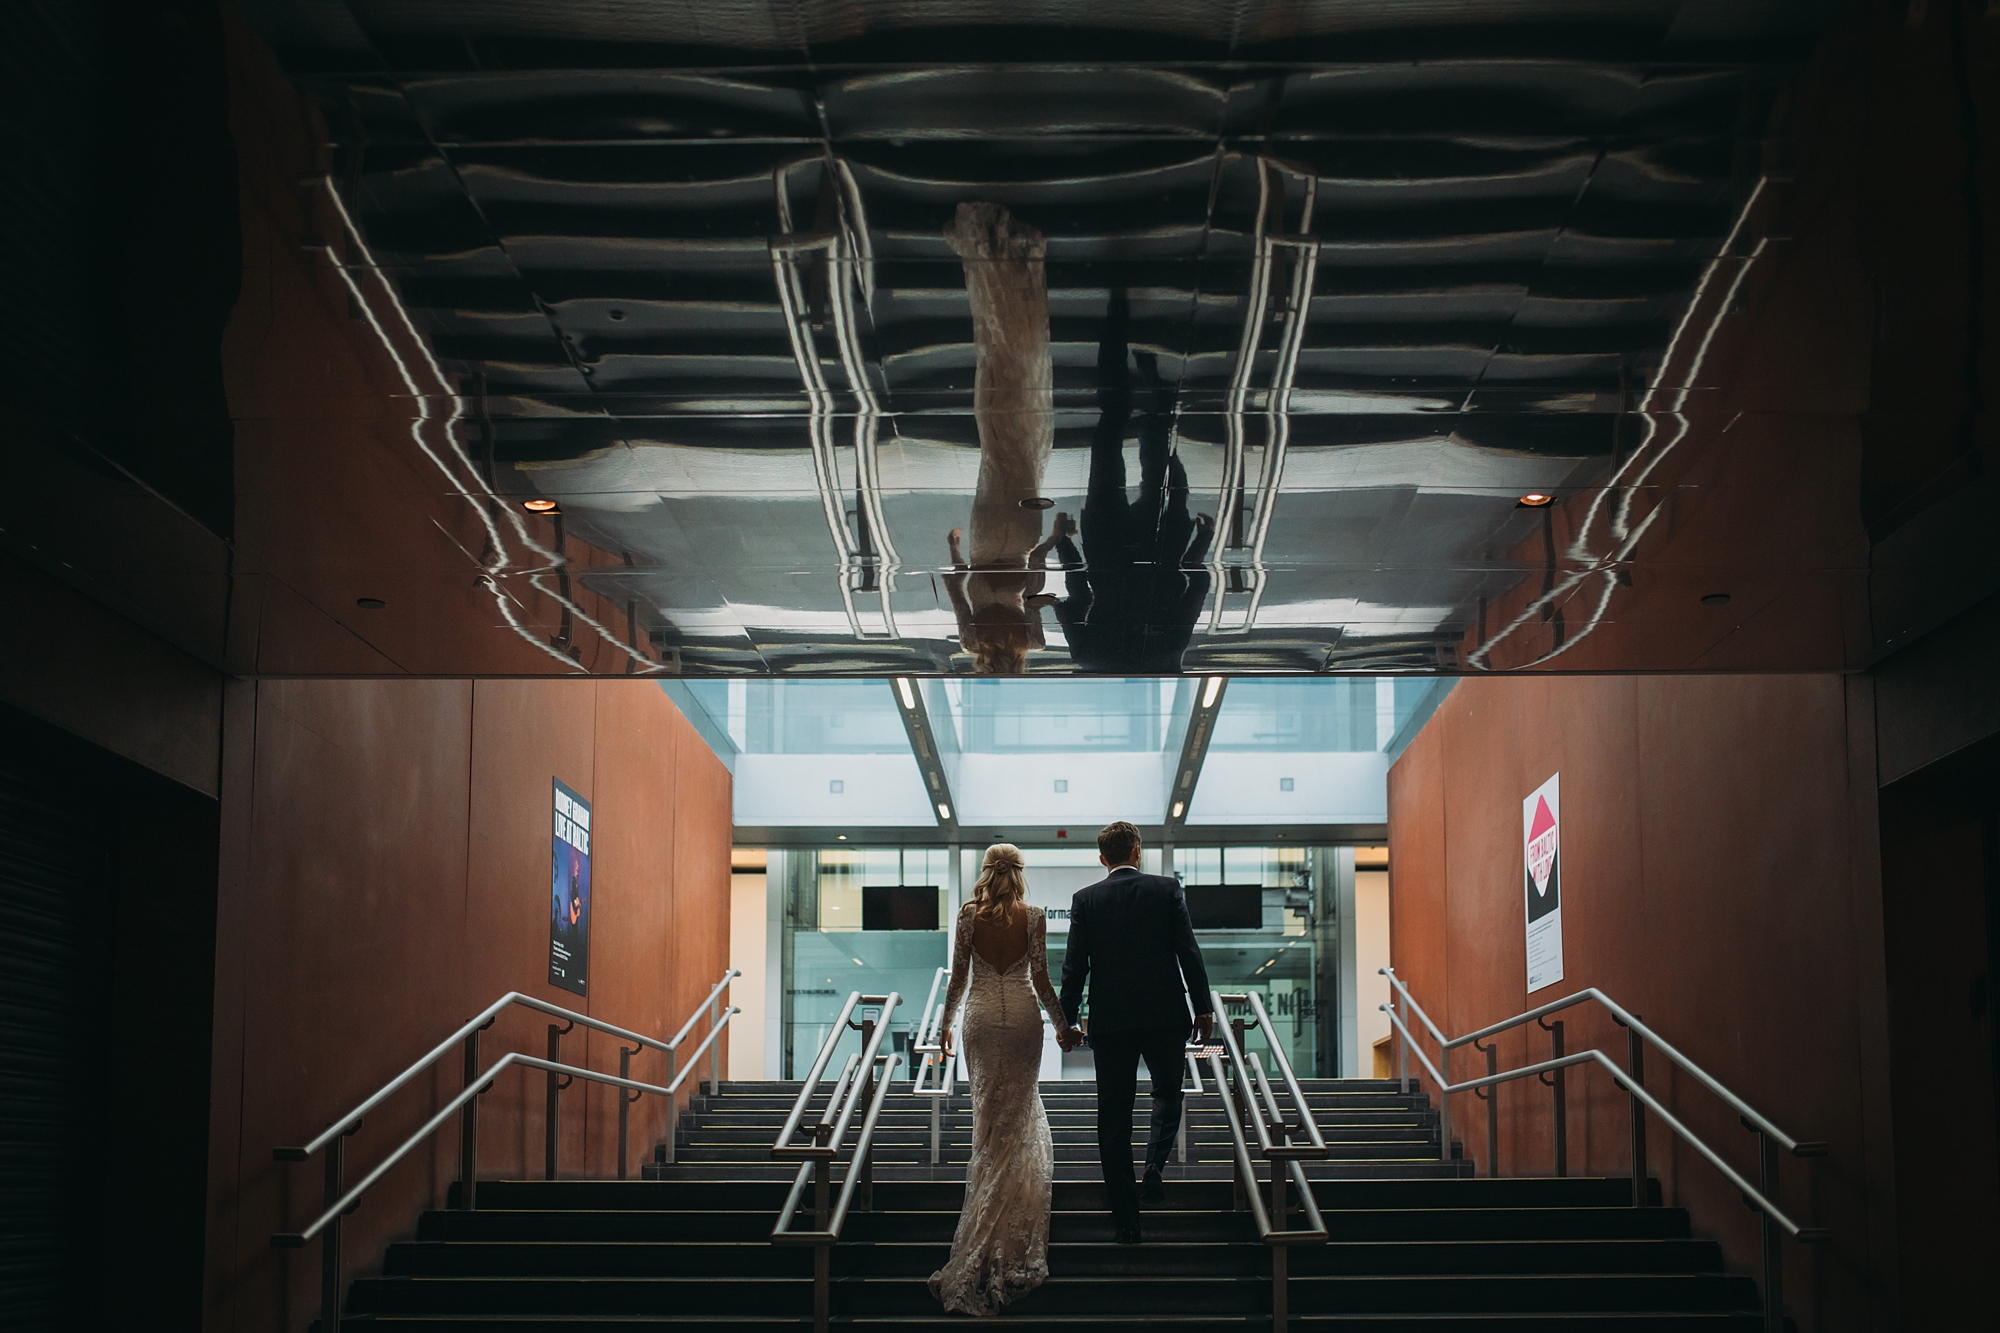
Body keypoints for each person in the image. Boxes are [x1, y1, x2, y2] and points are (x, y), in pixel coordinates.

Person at [930, 843, 1082, 1315]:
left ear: (985, 872)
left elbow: (958, 979)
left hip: (977, 1018)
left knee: (989, 1121)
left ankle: (982, 1233)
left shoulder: (967, 915)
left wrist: (944, 1025)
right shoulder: (1035, 916)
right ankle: (1008, 1237)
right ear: (1018, 873)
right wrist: (1061, 1025)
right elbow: (1041, 979)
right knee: (1016, 1117)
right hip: (1021, 1020)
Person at [1058, 820, 1214, 1244]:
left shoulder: (1086, 900)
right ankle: (1155, 1165)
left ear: (1102, 857)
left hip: (1111, 1024)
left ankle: (1127, 1218)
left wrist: (1066, 1021)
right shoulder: (1167, 891)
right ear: (1138, 852)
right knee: (1167, 1093)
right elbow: (1188, 952)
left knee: (1113, 1118)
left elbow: (1075, 968)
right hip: (1165, 1017)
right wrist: (1203, 1008)